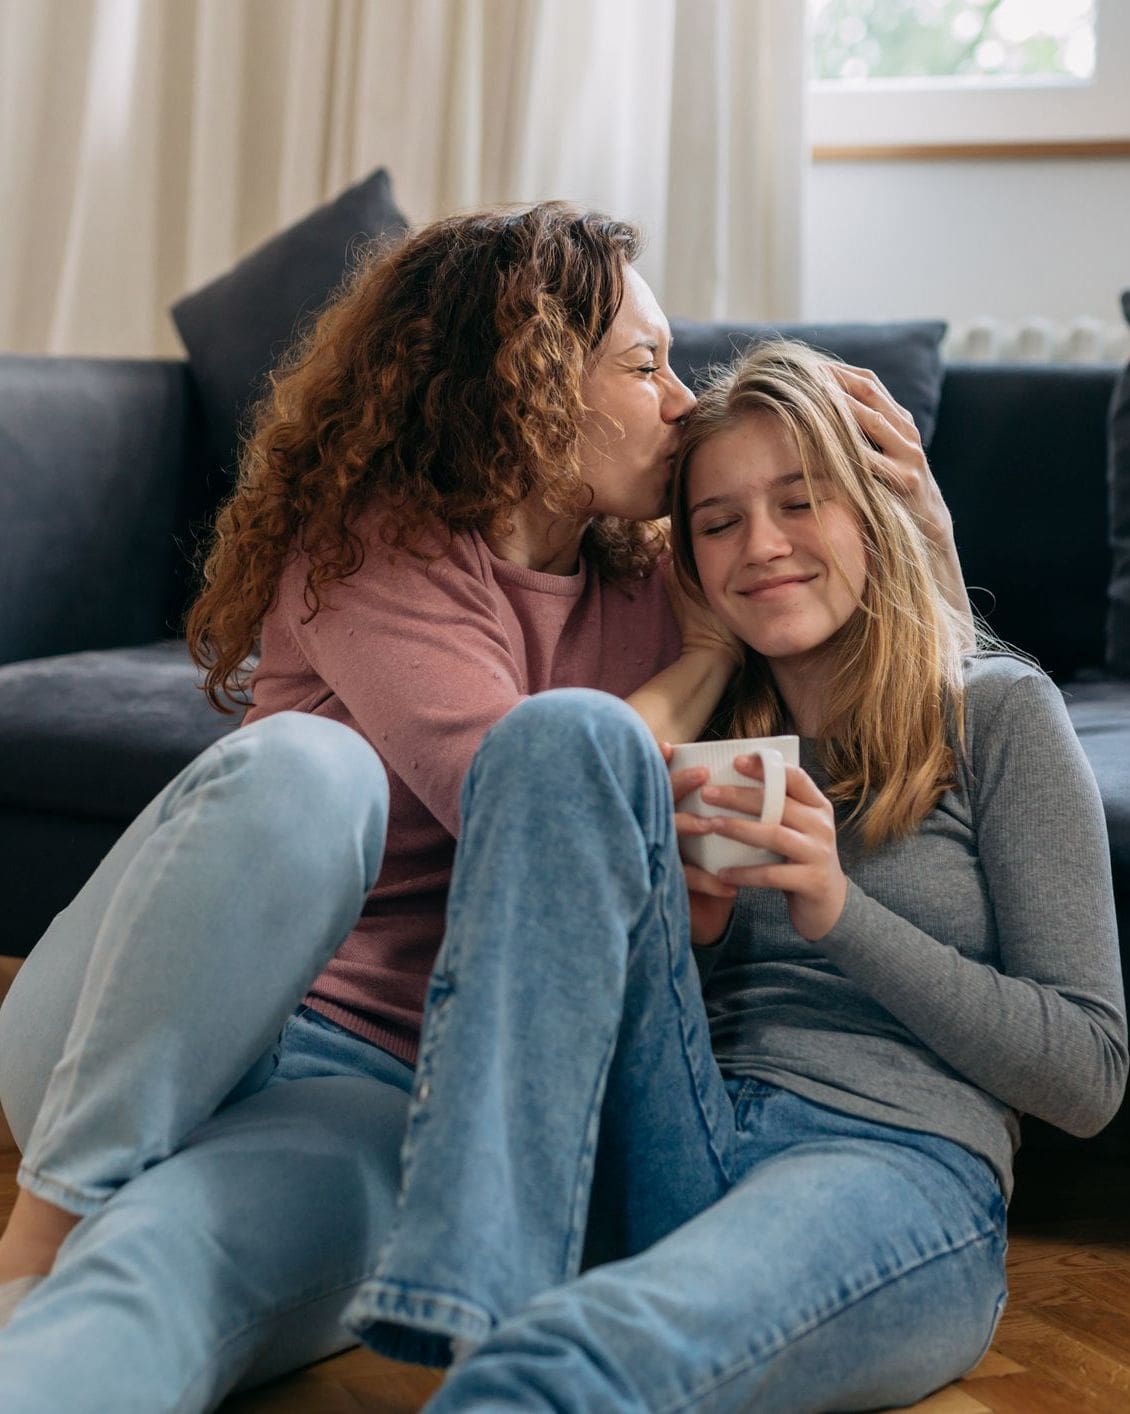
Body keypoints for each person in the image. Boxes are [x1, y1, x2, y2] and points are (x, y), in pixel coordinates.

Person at [0, 204, 962, 1412]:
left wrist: (919, 522)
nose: (680, 401)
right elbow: (527, 795)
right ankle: (49, 1216)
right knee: (312, 769)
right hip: (155, 1021)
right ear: (534, 382)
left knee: (168, 1266)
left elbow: (871, 651)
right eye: (643, 364)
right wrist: (701, 665)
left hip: (383, 1088)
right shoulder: (371, 547)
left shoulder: (660, 573)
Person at [344, 340, 1128, 1412]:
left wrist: (838, 911)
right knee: (557, 733)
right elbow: (603, 973)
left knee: (567, 1363)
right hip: (682, 1129)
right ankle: (469, 1280)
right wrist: (693, 926)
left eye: (799, 503)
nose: (761, 547)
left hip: (888, 1164)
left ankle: (511, 1338)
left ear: (868, 511)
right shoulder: (708, 732)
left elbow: (1087, 1077)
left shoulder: (995, 713)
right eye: (717, 523)